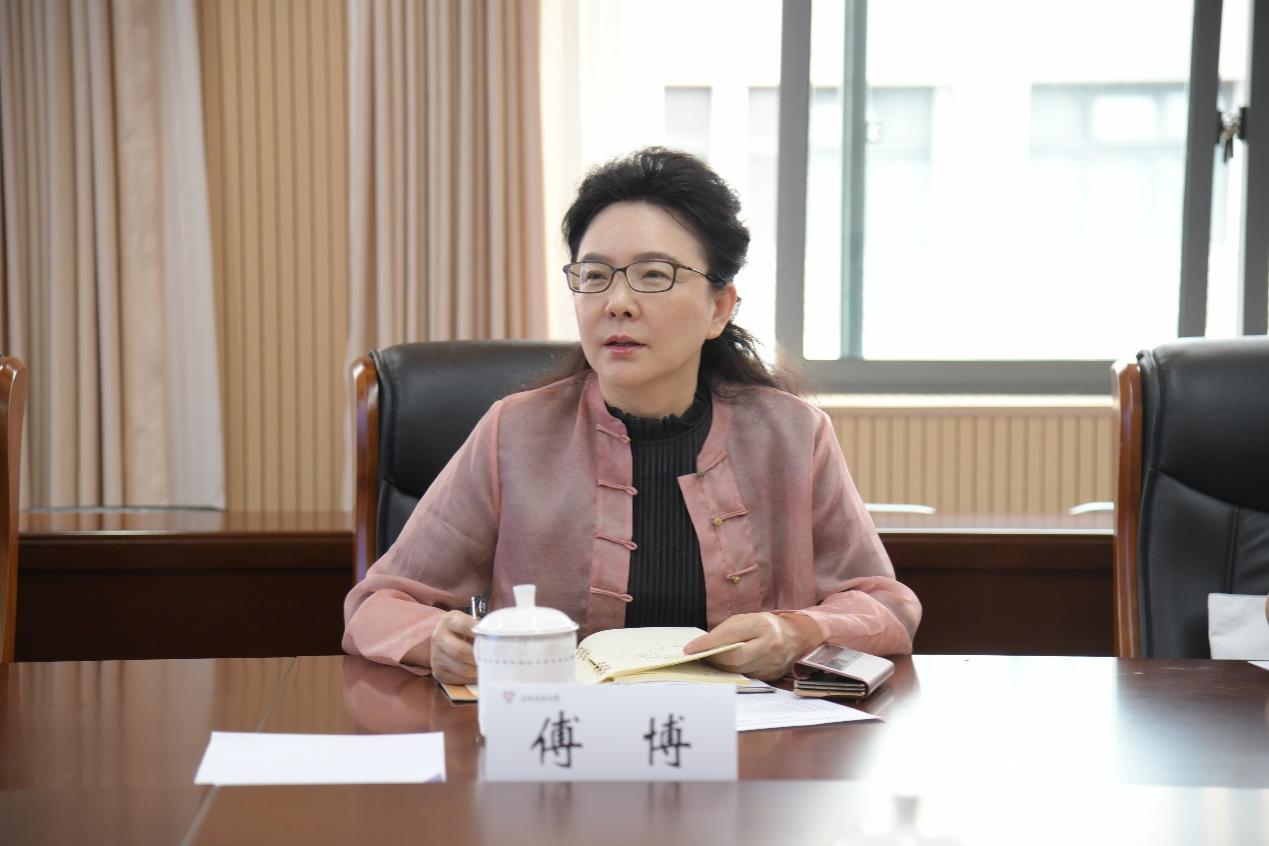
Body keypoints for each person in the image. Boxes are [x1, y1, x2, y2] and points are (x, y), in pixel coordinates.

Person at [342, 147, 921, 683]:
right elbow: (377, 604)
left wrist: (798, 633)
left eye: (653, 275)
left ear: (719, 307)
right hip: (561, 742)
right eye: (595, 277)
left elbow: (887, 606)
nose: (617, 303)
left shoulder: (792, 435)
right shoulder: (512, 433)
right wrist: (436, 640)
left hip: (745, 743)